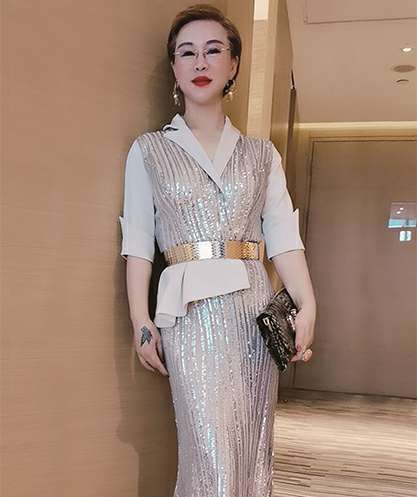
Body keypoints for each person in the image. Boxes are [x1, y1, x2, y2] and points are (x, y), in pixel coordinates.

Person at [118, 4, 316, 496]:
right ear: (174, 68)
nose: (200, 62)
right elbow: (138, 244)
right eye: (187, 53)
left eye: (213, 50)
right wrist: (141, 321)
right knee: (208, 452)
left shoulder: (262, 154)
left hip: (254, 311)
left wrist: (308, 303)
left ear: (233, 65)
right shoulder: (149, 150)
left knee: (251, 446)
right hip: (189, 314)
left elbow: (283, 237)